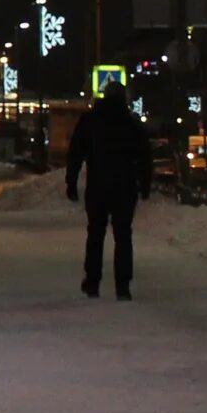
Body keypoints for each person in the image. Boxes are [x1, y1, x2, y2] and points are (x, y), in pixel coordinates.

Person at [67, 85, 153, 300]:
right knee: (123, 235)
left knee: (95, 233)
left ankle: (93, 282)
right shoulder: (131, 123)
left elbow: (76, 152)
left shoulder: (90, 121)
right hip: (125, 187)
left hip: (98, 185)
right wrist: (145, 184)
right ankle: (123, 286)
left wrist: (71, 181)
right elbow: (144, 156)